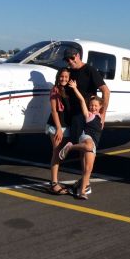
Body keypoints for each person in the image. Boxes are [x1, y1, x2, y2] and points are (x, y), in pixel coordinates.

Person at [58, 81, 104, 199]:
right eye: (91, 105)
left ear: (100, 107)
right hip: (86, 137)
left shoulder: (100, 117)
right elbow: (82, 101)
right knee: (88, 146)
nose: (93, 107)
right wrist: (75, 88)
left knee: (88, 169)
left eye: (95, 106)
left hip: (94, 142)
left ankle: (82, 192)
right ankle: (70, 147)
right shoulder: (88, 115)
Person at [45, 67, 72, 195]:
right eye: (61, 76)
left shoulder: (69, 89)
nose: (63, 79)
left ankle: (55, 181)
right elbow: (54, 111)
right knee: (56, 153)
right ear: (58, 77)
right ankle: (54, 184)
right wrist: (59, 129)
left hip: (66, 126)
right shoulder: (55, 90)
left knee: (61, 153)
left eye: (66, 77)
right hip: (56, 127)